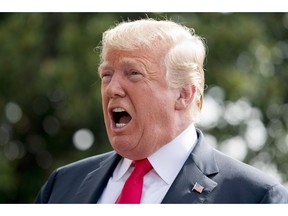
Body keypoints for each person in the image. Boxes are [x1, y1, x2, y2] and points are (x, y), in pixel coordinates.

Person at [35, 18, 288, 204]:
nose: (112, 89)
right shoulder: (62, 185)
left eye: (133, 73)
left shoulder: (257, 198)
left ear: (184, 94)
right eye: (106, 75)